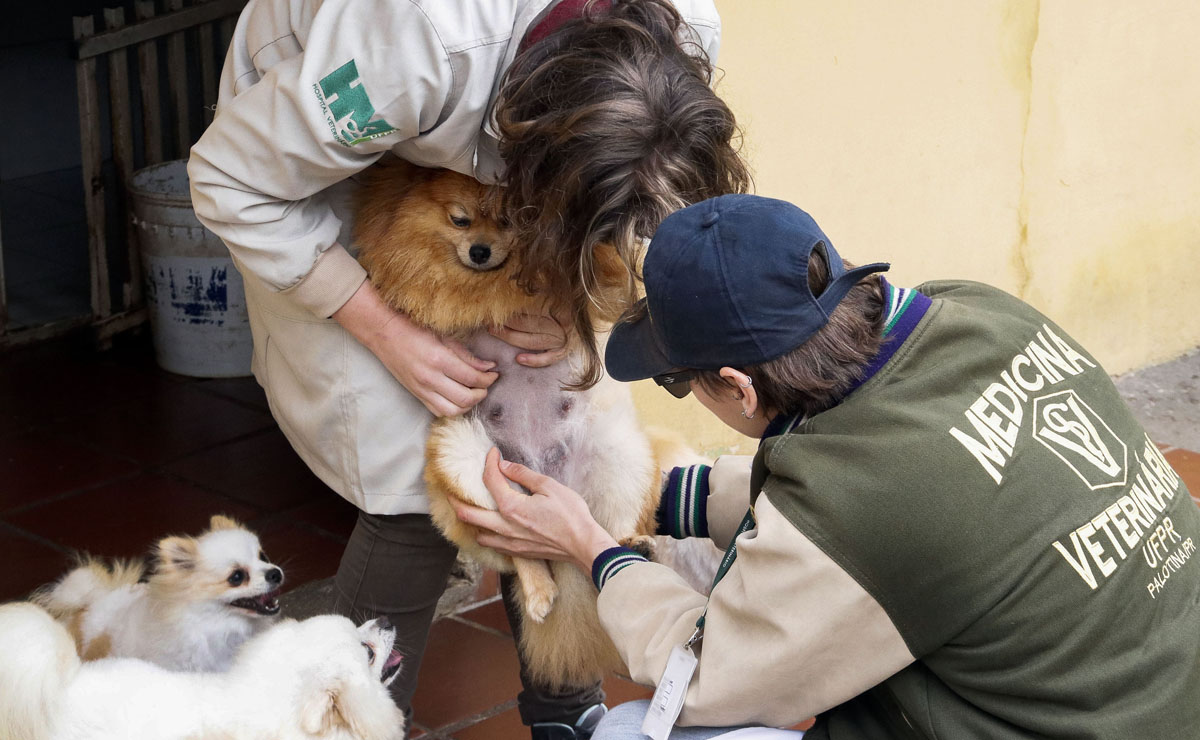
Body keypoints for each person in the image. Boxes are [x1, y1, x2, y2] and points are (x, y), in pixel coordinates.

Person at [186, 1, 750, 738]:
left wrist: (571, 289)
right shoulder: (413, 41)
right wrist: (381, 327)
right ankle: (343, 722)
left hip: (496, 156)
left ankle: (565, 707)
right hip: (310, 173)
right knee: (412, 488)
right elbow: (233, 183)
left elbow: (630, 201)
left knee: (558, 446)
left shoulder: (681, 32)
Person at [457, 193, 1200, 739]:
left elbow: (706, 675)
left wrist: (591, 548)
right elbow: (877, 482)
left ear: (738, 386)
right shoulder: (975, 314)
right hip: (1162, 692)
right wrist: (660, 494)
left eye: (678, 379)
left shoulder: (866, 503)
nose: (682, 391)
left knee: (631, 731)